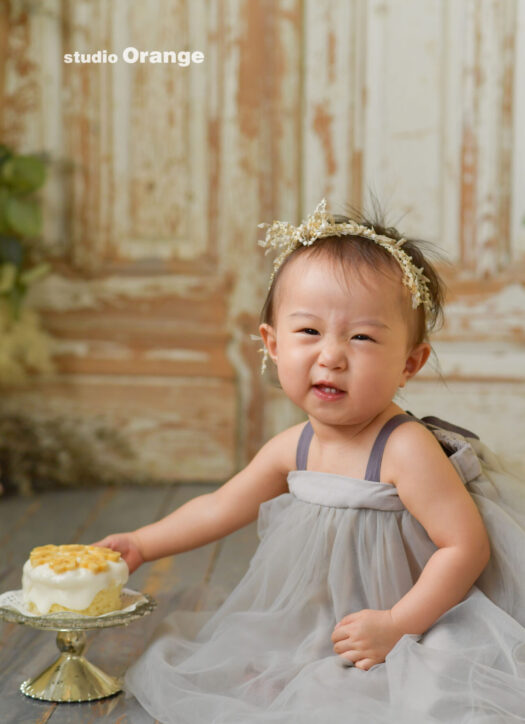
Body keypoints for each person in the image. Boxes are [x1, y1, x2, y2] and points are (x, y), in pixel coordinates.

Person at [97, 200, 525, 723]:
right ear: (272, 345)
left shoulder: (403, 448)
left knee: (427, 696)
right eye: (308, 332)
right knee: (260, 673)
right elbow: (219, 505)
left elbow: (465, 548)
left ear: (410, 363)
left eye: (362, 337)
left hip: (420, 611)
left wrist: (397, 623)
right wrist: (142, 543)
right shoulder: (293, 446)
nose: (331, 356)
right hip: (330, 616)